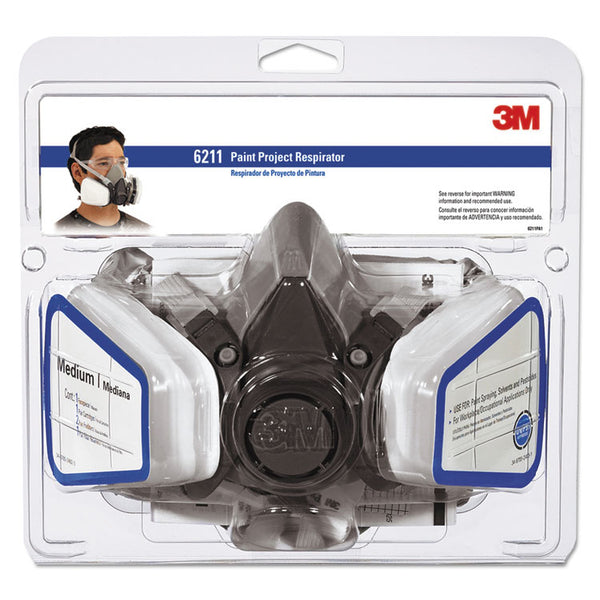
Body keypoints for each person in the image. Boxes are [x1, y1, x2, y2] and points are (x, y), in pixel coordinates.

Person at [55, 126, 150, 232]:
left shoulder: (144, 232)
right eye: (103, 163)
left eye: (121, 162)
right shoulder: (58, 232)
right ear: (77, 172)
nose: (117, 172)